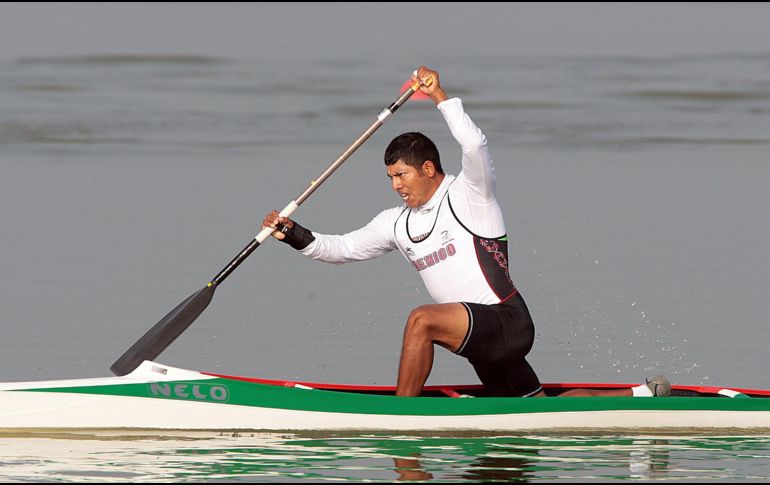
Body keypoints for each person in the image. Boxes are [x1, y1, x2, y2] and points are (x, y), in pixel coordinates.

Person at [262, 66, 670, 399]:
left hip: (507, 323)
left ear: (427, 168)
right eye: (390, 178)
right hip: (478, 340)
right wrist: (292, 232)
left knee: (421, 321)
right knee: (536, 408)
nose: (396, 185)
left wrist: (439, 96)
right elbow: (342, 249)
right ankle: (642, 396)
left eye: (401, 175)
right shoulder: (394, 222)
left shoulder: (470, 194)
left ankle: (401, 416)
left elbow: (474, 146)